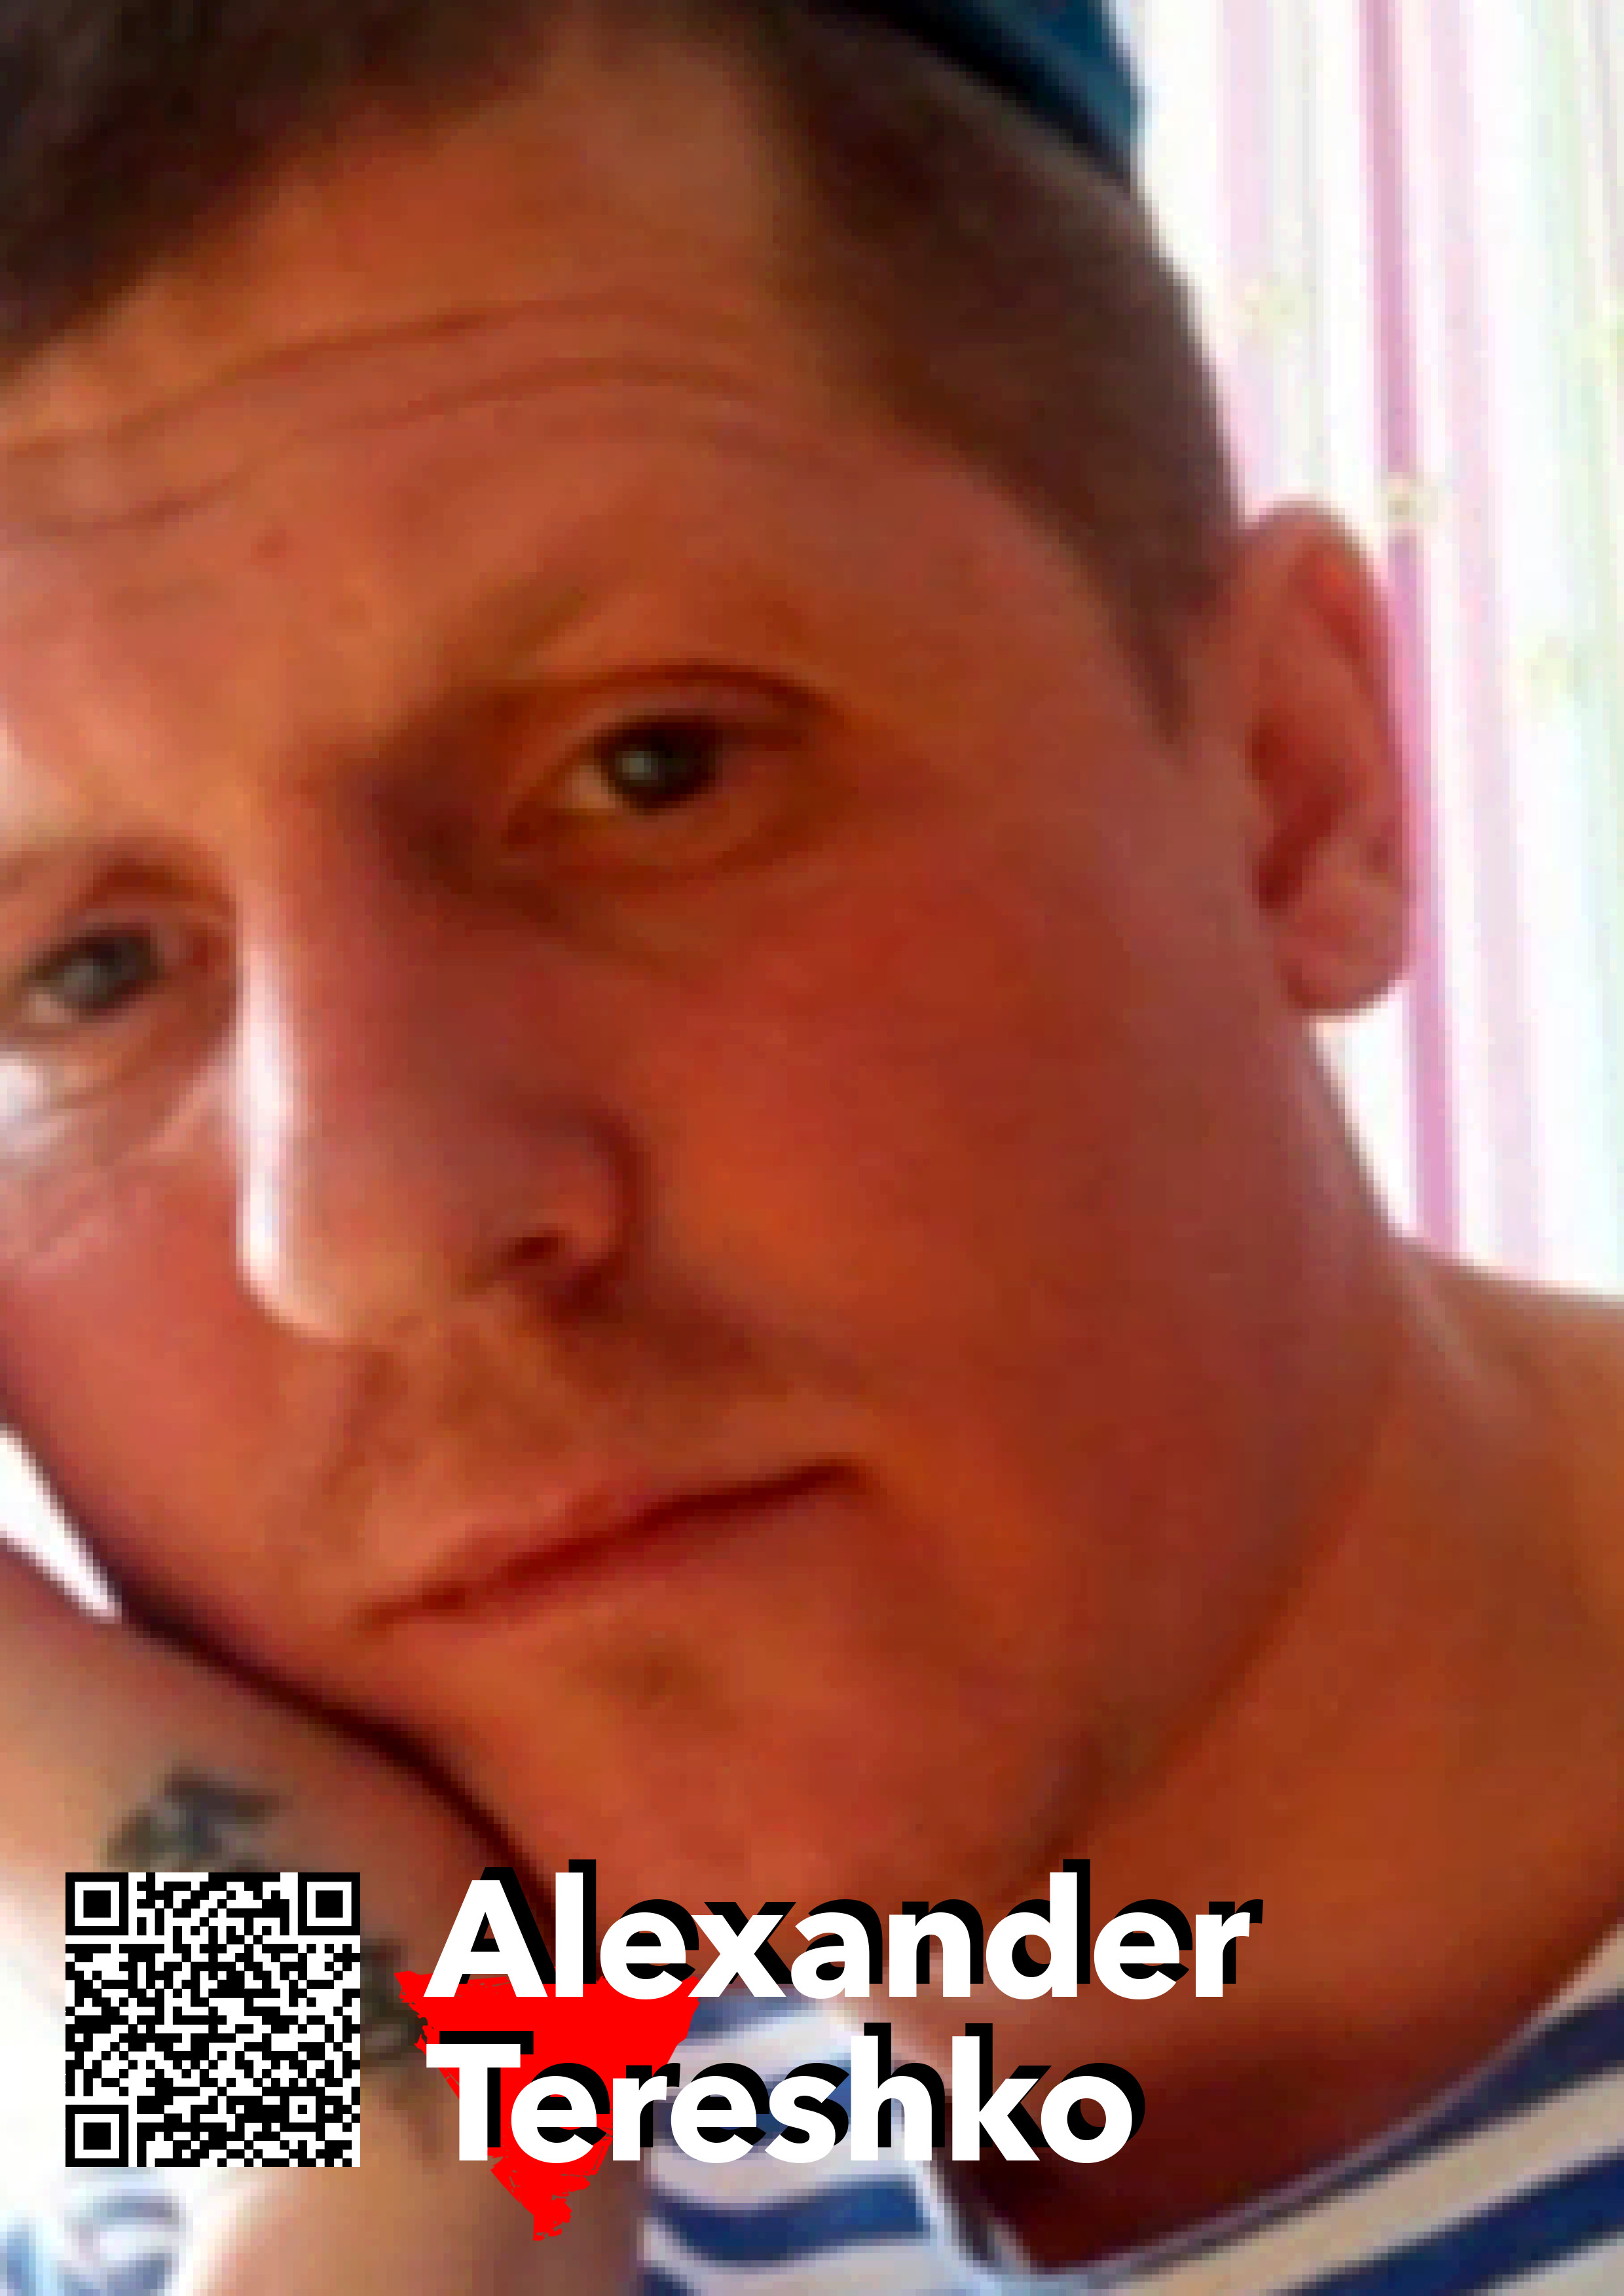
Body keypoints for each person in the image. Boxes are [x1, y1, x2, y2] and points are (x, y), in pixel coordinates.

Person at [0, 1, 1620, 2287]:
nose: (366, 1222)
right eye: (86, 971)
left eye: (654, 768)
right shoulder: (266, 2068)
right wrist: (376, 2155)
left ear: (1294, 784)